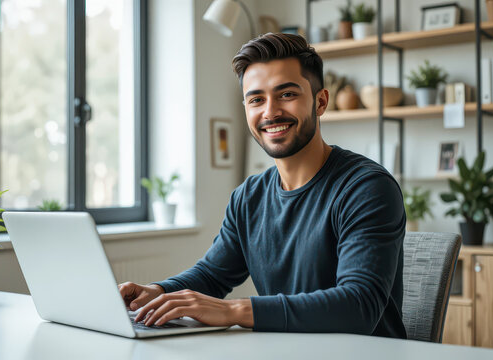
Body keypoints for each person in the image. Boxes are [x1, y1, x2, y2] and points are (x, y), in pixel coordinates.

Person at [119, 33, 407, 338]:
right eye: (256, 99)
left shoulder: (367, 188)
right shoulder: (248, 197)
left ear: (320, 102)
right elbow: (212, 275)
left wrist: (233, 310)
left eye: (286, 95)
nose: (270, 112)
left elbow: (358, 306)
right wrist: (156, 291)